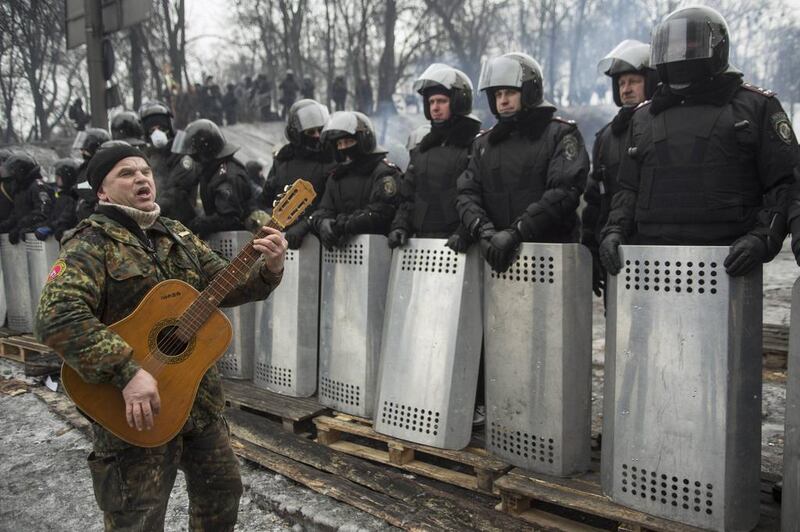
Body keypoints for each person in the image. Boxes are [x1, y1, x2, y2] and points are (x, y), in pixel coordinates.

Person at [34, 142, 287, 531]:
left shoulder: (178, 233)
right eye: (126, 173)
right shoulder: (89, 244)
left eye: (145, 171)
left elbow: (226, 285)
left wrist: (269, 267)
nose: (140, 178)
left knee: (222, 494)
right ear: (101, 191)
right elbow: (56, 315)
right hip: (133, 408)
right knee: (138, 516)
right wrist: (128, 371)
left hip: (197, 401)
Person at [599, 6, 798, 278]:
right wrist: (614, 230)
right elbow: (628, 189)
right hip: (652, 264)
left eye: (690, 45)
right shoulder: (644, 117)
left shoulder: (755, 106)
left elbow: (785, 183)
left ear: (715, 46)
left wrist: (763, 237)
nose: (681, 54)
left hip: (728, 265)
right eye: (674, 46)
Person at [456, 52, 590, 273]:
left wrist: (518, 231)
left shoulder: (560, 133)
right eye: (498, 94)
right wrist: (484, 230)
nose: (503, 100)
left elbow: (564, 191)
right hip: (495, 257)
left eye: (510, 92)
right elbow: (466, 193)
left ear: (529, 92)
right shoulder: (483, 144)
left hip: (549, 259)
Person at [582, 40, 658, 298]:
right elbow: (595, 202)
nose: (626, 89)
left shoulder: (663, 128)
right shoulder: (605, 138)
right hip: (615, 252)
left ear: (651, 81)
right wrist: (591, 254)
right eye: (621, 83)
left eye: (633, 81)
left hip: (655, 251)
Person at [388, 64, 481, 251]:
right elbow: (409, 197)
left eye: (441, 101)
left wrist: (465, 232)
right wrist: (400, 225)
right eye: (431, 102)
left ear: (457, 102)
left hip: (461, 247)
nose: (435, 108)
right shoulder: (421, 150)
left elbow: (481, 197)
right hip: (421, 244)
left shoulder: (475, 145)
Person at [309, 111, 400, 249]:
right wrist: (322, 222)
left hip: (378, 252)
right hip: (340, 258)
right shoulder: (336, 177)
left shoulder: (384, 172)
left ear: (363, 141)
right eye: (339, 143)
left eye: (349, 141)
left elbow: (380, 212)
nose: (344, 147)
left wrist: (342, 225)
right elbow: (324, 209)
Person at [259, 99, 336, 249]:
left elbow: (332, 204)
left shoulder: (331, 158)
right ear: (297, 134)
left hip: (317, 245)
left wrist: (306, 224)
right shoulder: (283, 159)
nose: (316, 136)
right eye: (310, 132)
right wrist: (270, 218)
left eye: (320, 130)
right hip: (279, 243)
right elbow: (265, 200)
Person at [172, 118, 253, 238]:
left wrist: (198, 224)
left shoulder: (227, 176)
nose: (193, 160)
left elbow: (230, 218)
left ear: (204, 153)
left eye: (195, 156)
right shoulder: (211, 169)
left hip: (236, 243)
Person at [139, 101, 198, 224]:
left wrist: (151, 211)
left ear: (169, 128)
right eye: (152, 130)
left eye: (161, 128)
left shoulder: (182, 152)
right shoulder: (148, 154)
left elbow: (176, 189)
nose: (157, 133)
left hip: (183, 222)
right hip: (158, 221)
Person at [0, 152, 54, 244]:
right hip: (25, 232)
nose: (12, 175)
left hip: (40, 236)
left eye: (14, 171)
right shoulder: (21, 189)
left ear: (21, 171)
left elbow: (42, 211)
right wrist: (4, 226)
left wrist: (20, 226)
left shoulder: (37, 186)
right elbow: (17, 213)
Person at [34, 158, 81, 242]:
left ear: (67, 178)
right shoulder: (61, 196)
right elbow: (53, 215)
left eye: (59, 177)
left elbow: (66, 217)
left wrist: (51, 227)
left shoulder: (72, 196)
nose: (56, 180)